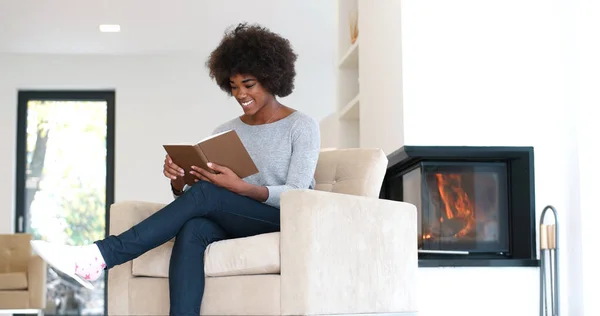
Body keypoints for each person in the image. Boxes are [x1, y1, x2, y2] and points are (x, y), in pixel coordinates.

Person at [30, 22, 321, 316]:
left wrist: (241, 187)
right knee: (193, 228)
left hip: (284, 219)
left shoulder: (301, 126)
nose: (240, 95)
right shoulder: (226, 130)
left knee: (208, 195)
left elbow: (298, 194)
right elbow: (201, 197)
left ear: (272, 79)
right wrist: (180, 182)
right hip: (235, 215)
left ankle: (101, 255)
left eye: (248, 85)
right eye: (233, 87)